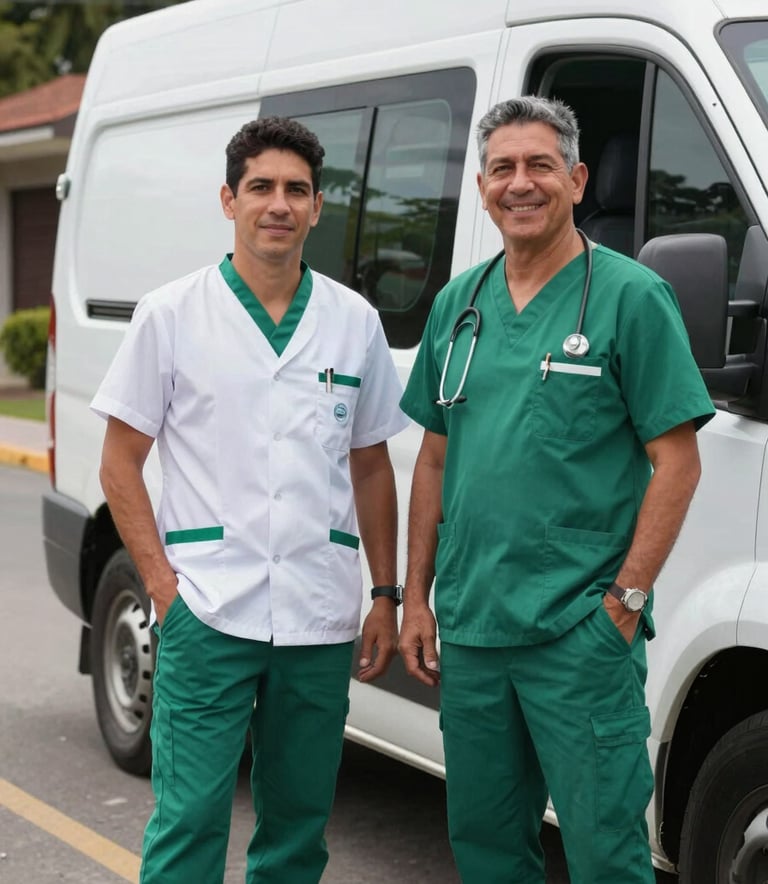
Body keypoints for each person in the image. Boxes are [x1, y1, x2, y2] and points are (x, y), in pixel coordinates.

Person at [398, 96, 715, 883]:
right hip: (473, 632)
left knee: (606, 854)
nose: (520, 183)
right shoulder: (458, 306)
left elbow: (678, 463)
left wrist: (624, 603)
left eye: (540, 165)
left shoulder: (631, 298)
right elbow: (433, 460)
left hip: (579, 634)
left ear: (575, 180)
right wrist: (415, 599)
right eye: (502, 168)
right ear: (482, 188)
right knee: (487, 851)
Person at [91, 116, 409, 884]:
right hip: (207, 608)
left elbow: (371, 467)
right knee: (189, 822)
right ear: (229, 200)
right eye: (261, 187)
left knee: (298, 829)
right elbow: (119, 465)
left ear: (318, 207)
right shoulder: (171, 314)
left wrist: (385, 595)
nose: (279, 204)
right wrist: (164, 592)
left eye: (296, 190)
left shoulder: (354, 322)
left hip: (318, 615)